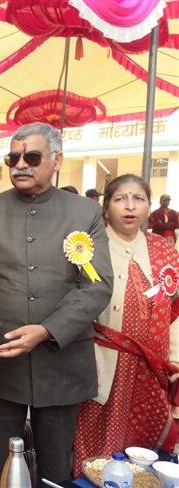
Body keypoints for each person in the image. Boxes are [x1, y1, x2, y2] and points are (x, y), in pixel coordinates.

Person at [0, 122, 113, 487]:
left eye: (32, 157)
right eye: (13, 158)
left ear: (57, 160)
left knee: (55, 468)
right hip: (0, 361)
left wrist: (46, 330)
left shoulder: (84, 212)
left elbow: (97, 285)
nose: (21, 165)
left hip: (61, 362)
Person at [73, 174, 179, 475]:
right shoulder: (89, 247)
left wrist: (175, 359)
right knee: (97, 440)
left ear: (149, 206)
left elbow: (176, 308)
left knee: (145, 446)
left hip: (153, 367)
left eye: (138, 199)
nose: (130, 206)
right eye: (120, 199)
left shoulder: (163, 248)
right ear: (106, 207)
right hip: (102, 361)